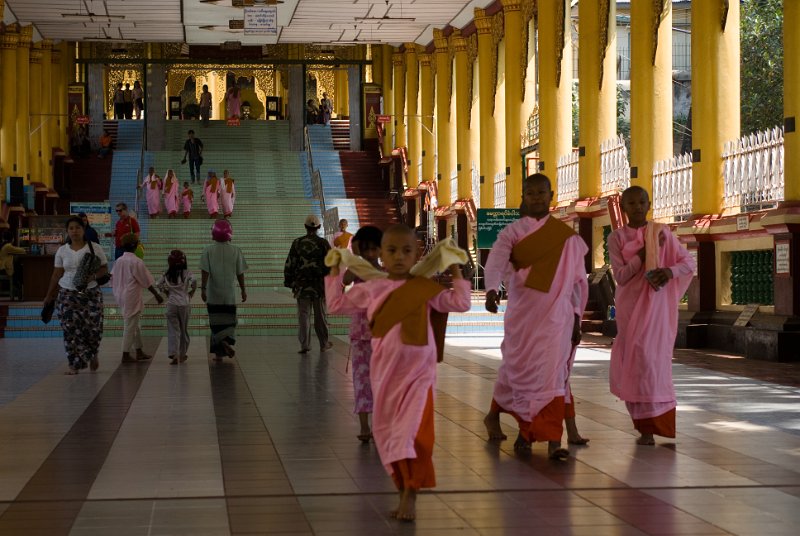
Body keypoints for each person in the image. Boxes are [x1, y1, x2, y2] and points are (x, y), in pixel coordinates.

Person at [326, 225, 471, 521]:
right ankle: (403, 486)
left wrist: (456, 268)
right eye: (391, 250)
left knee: (414, 434)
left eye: (407, 251)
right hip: (385, 376)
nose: (399, 257)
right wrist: (334, 272)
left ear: (417, 253)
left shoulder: (424, 287)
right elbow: (335, 304)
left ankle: (411, 493)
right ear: (380, 253)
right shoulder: (371, 288)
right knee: (387, 433)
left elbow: (460, 302)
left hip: (419, 375)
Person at [482, 173, 588, 461]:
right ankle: (520, 428)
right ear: (523, 197)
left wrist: (577, 317)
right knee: (518, 373)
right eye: (531, 193)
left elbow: (578, 283)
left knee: (552, 377)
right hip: (522, 316)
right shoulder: (512, 232)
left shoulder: (568, 239)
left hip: (557, 318)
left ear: (551, 195)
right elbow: (496, 260)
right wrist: (492, 289)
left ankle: (553, 440)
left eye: (542, 193)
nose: (537, 198)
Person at [609, 185, 695, 446]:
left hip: (657, 309)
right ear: (623, 208)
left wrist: (668, 273)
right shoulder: (617, 238)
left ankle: (659, 423)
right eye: (631, 203)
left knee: (655, 362)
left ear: (649, 205)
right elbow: (621, 276)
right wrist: (642, 256)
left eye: (641, 202)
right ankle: (644, 428)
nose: (636, 207)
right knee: (637, 362)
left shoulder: (662, 233)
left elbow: (688, 264)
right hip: (630, 308)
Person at [43, 216, 109, 374]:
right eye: (71, 228)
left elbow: (104, 269)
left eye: (77, 228)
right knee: (69, 328)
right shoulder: (62, 250)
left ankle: (92, 354)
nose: (74, 231)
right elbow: (56, 274)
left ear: (83, 229)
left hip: (90, 293)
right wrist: (49, 295)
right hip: (67, 293)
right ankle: (74, 364)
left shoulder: (94, 248)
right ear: (67, 231)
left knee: (93, 328)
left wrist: (92, 277)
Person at [340, 225, 383, 443]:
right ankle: (365, 427)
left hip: (382, 337)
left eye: (374, 249)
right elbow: (345, 279)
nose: (370, 254)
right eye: (365, 249)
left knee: (380, 381)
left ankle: (378, 425)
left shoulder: (386, 273)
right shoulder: (358, 269)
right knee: (361, 380)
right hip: (360, 336)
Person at [199, 219, 248, 361]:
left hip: (213, 294)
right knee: (229, 321)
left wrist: (203, 289)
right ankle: (225, 343)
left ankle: (219, 350)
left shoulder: (207, 250)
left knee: (215, 322)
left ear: (213, 233)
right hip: (229, 294)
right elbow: (240, 273)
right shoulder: (236, 250)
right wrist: (243, 290)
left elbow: (205, 272)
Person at [284, 215, 333, 354]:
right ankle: (324, 344)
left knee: (303, 316)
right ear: (318, 227)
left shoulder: (297, 243)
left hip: (301, 286)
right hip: (319, 287)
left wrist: (290, 282)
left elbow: (290, 263)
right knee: (320, 316)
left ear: (305, 227)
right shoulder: (323, 243)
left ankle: (305, 345)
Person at [112, 234, 163, 363]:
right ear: (135, 245)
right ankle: (125, 354)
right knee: (130, 325)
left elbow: (112, 277)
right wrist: (156, 294)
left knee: (134, 324)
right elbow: (146, 280)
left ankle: (139, 351)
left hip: (120, 295)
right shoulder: (136, 261)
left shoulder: (119, 260)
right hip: (131, 296)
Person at [157, 250, 196, 365]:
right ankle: (182, 354)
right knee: (183, 330)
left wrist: (166, 292)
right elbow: (194, 281)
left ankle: (174, 354)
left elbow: (158, 284)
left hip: (171, 305)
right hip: (184, 304)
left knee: (173, 330)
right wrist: (192, 291)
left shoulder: (166, 274)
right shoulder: (187, 272)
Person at [0, 231, 25, 298]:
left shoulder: (3, 245)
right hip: (4, 269)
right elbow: (22, 251)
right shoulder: (7, 246)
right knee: (20, 269)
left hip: (2, 268)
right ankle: (18, 288)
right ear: (12, 238)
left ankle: (17, 287)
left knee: (18, 267)